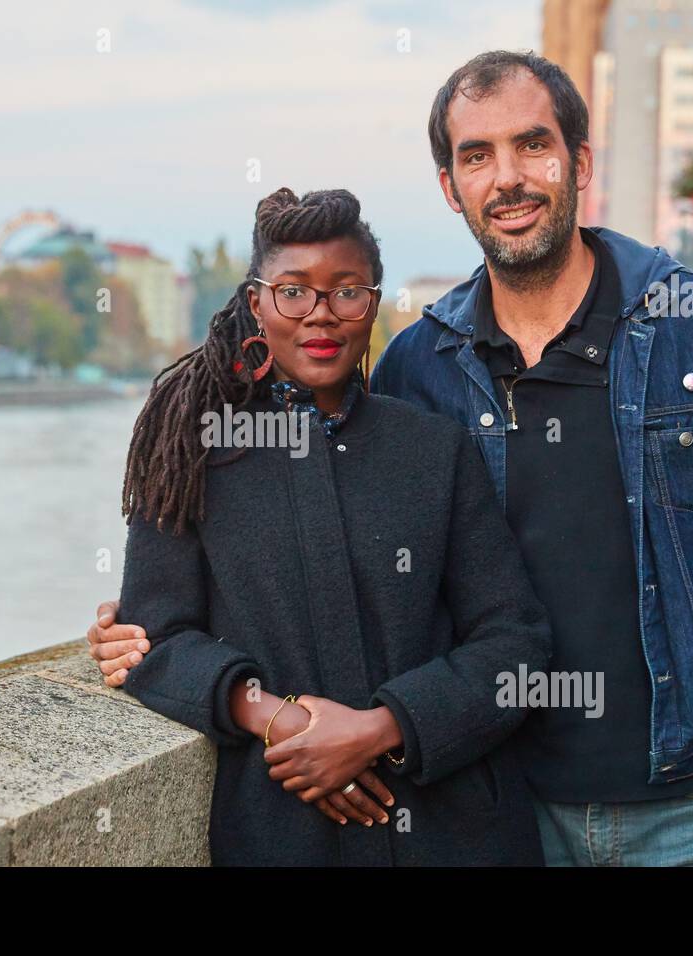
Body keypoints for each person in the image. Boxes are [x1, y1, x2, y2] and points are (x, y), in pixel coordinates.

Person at [91, 51, 693, 868]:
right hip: (506, 801)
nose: (509, 178)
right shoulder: (422, 364)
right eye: (477, 156)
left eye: (533, 145)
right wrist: (149, 641)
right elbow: (364, 566)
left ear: (579, 161)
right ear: (452, 187)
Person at [112, 185, 551, 866]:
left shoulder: (435, 450)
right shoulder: (192, 449)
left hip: (453, 832)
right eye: (293, 291)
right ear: (256, 301)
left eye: (346, 291)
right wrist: (281, 719)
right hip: (283, 833)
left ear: (371, 303)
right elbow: (156, 639)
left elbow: (515, 642)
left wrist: (382, 728)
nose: (321, 315)